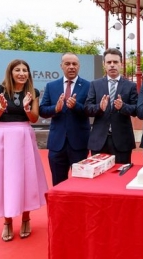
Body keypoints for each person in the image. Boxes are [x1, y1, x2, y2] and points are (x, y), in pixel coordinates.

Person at [0, 59, 48, 241]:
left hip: (24, 136)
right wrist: (1, 107)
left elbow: (34, 118)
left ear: (28, 73)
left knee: (25, 177)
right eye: (17, 70)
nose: (21, 73)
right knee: (4, 178)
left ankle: (26, 218)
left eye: (25, 70)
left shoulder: (33, 92)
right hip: (2, 137)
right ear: (11, 72)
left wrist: (26, 107)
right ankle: (7, 222)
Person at [39, 53, 90, 186]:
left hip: (79, 143)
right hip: (57, 144)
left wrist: (76, 106)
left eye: (74, 64)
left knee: (80, 184)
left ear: (79, 66)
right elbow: (42, 110)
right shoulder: (51, 86)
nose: (71, 67)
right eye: (67, 64)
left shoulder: (88, 86)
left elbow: (91, 110)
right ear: (61, 66)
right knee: (58, 183)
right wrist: (55, 109)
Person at [85, 48, 137, 164]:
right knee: (98, 178)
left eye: (115, 62)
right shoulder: (95, 84)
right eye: (109, 62)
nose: (112, 65)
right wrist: (99, 107)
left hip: (122, 141)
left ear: (121, 64)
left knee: (120, 177)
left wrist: (123, 107)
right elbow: (87, 108)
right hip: (99, 141)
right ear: (104, 64)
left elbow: (136, 110)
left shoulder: (130, 86)